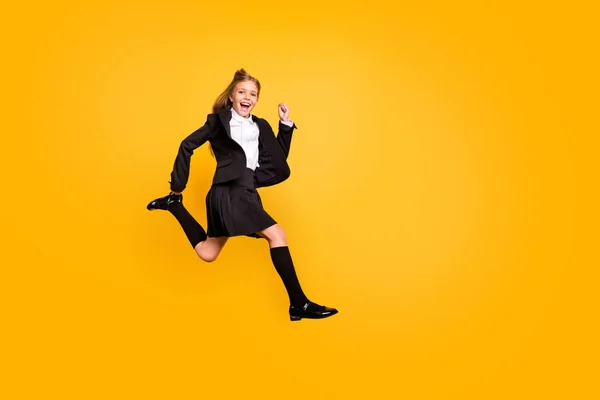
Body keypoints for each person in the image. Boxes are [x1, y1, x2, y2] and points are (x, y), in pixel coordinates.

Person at [146, 68, 338, 321]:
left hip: (246, 190)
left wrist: (285, 125)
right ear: (231, 97)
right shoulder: (217, 122)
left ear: (257, 100)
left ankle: (174, 206)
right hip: (228, 190)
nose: (248, 97)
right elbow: (187, 145)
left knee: (207, 253)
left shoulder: (260, 125)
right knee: (277, 234)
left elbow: (277, 159)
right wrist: (178, 185)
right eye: (242, 91)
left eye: (253, 94)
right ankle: (298, 303)